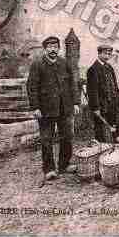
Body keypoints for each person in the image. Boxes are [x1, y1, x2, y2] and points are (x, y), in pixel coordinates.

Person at [26, 36, 80, 181]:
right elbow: (32, 87)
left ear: (59, 48)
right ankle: (49, 169)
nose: (53, 49)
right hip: (46, 109)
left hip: (64, 107)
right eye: (50, 47)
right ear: (45, 49)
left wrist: (75, 103)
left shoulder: (64, 63)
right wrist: (35, 107)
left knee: (67, 136)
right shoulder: (37, 64)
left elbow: (73, 84)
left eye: (55, 46)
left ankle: (64, 165)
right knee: (46, 139)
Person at [86, 45, 119, 142]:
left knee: (117, 129)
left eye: (109, 54)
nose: (107, 56)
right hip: (102, 107)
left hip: (113, 106)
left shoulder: (109, 67)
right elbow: (92, 91)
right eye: (105, 53)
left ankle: (117, 150)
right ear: (99, 53)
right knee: (102, 133)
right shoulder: (93, 69)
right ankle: (103, 152)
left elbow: (115, 87)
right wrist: (95, 108)